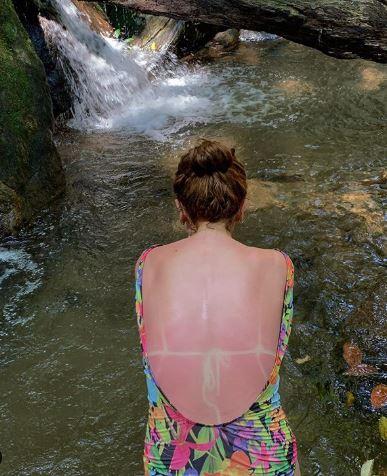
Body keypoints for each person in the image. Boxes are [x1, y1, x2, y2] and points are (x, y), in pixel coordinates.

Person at [134, 139, 301, 475]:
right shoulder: (279, 266)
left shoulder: (149, 264)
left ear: (181, 207)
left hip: (173, 457)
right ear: (241, 206)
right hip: (261, 452)